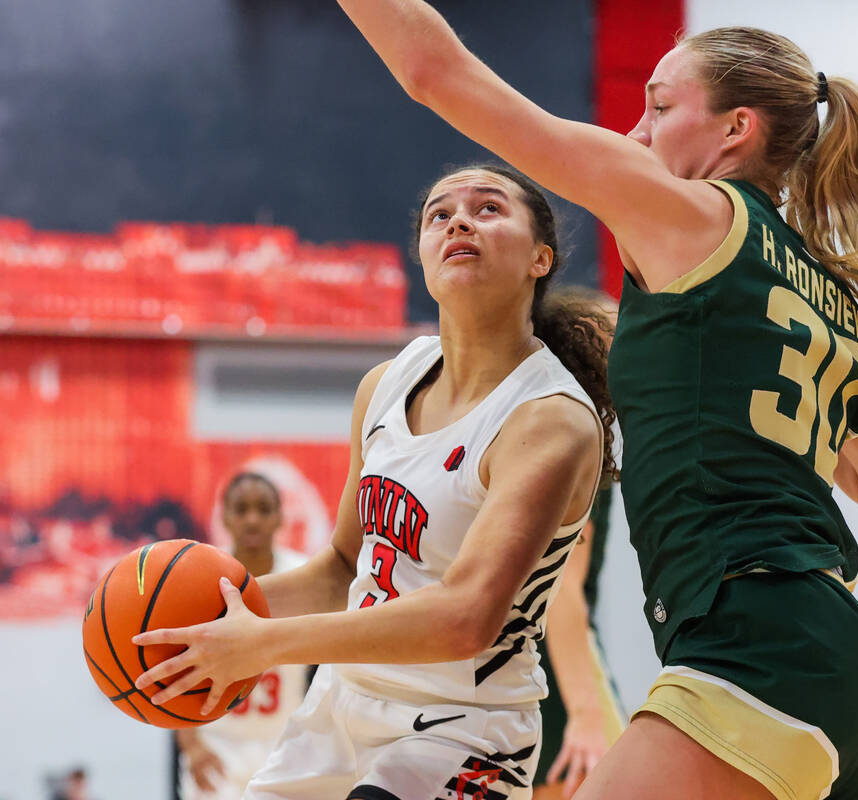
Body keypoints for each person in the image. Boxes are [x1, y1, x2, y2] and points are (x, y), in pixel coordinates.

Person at [334, 3, 858, 798]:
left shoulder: (688, 217)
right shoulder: (828, 302)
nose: (636, 134)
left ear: (736, 130)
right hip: (851, 675)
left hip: (756, 648)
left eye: (659, 107)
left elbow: (437, 74)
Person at [134, 164, 617, 799]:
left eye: (488, 208)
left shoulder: (549, 418)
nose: (459, 221)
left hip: (462, 729)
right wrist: (192, 621)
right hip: (342, 709)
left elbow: (464, 617)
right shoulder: (386, 383)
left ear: (540, 258)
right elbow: (341, 567)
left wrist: (260, 644)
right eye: (439, 215)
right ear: (421, 252)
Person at [535, 289, 625, 800]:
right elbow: (561, 591)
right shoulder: (576, 433)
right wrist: (587, 716)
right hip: (551, 665)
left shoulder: (528, 423)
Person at [175, 472, 309, 800]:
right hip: (217, 742)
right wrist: (192, 746)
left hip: (285, 744)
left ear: (280, 517)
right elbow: (173, 670)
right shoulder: (198, 577)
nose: (253, 519)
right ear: (224, 516)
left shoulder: (306, 576)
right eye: (242, 509)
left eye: (264, 509)